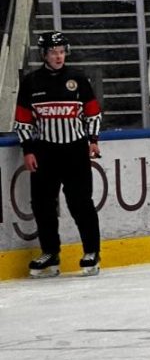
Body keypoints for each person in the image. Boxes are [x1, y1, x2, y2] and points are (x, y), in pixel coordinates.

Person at [14, 31, 103, 278]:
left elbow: (93, 112)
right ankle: (50, 253)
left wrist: (93, 140)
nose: (58, 56)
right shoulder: (31, 82)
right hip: (45, 152)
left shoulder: (78, 79)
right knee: (42, 205)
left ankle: (92, 252)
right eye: (53, 52)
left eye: (62, 51)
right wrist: (28, 150)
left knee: (81, 203)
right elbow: (23, 120)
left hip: (74, 150)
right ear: (44, 54)